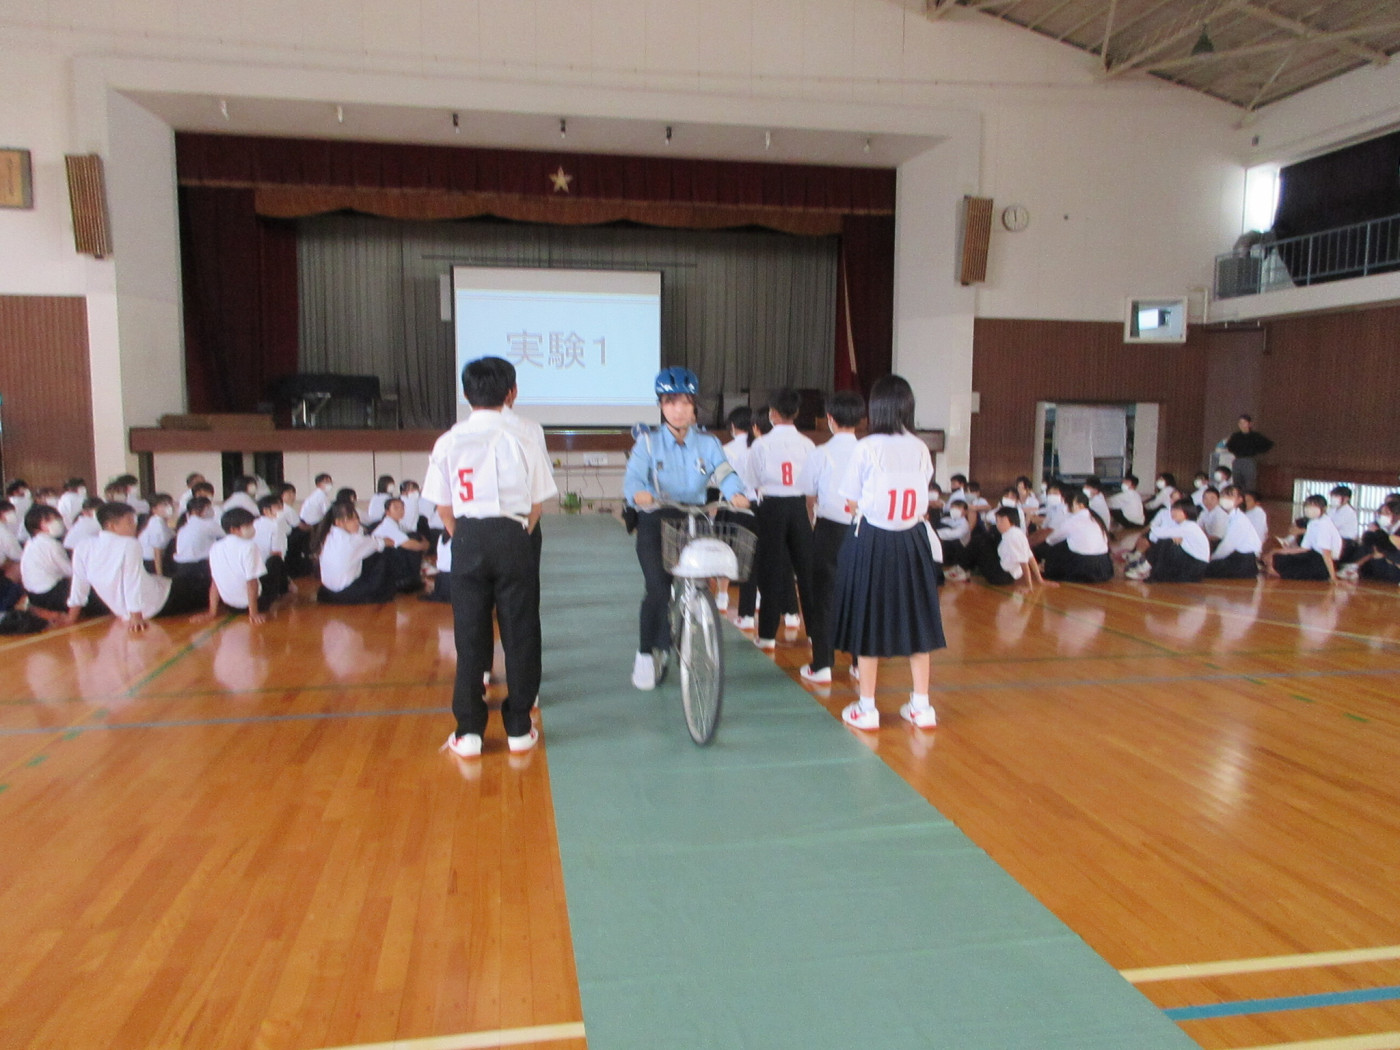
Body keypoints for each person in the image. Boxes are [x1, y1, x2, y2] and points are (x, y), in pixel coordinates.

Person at [424, 355, 558, 757]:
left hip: (467, 535)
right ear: (511, 393)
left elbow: (443, 507)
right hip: (514, 533)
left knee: (469, 634)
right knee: (521, 631)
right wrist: (518, 533)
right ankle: (518, 726)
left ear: (466, 395)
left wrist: (464, 536)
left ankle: (468, 733)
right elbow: (537, 504)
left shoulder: (448, 440)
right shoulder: (526, 436)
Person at [624, 366, 750, 690]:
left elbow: (724, 472)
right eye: (670, 402)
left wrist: (735, 492)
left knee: (699, 578)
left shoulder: (707, 444)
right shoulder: (648, 444)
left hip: (693, 519)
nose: (678, 409)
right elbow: (633, 479)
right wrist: (639, 493)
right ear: (661, 406)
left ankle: (694, 619)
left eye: (684, 402)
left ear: (694, 405)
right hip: (655, 519)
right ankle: (645, 652)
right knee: (657, 589)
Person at [831, 374, 944, 732]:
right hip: (912, 541)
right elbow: (923, 494)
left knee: (868, 621)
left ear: (874, 408)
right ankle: (922, 706)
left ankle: (867, 708)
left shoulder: (868, 447)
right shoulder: (920, 447)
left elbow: (849, 499)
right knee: (916, 618)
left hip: (873, 540)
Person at [797, 389, 864, 684]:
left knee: (822, 596)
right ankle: (861, 663)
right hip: (864, 532)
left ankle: (822, 664)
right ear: (860, 420)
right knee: (861, 597)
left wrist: (814, 524)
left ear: (830, 419)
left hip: (829, 530)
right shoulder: (868, 451)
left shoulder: (821, 452)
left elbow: (809, 497)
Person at [743, 388, 818, 649]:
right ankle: (814, 633)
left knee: (771, 571)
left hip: (771, 507)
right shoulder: (808, 444)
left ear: (772, 414)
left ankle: (766, 637)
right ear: (796, 413)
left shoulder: (761, 444)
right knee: (807, 573)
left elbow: (752, 482)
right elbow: (811, 484)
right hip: (798, 507)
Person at [64, 502, 208, 632]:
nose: (134, 526)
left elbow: (79, 584)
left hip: (144, 598)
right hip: (158, 602)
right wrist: (136, 616)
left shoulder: (83, 546)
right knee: (204, 585)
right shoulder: (129, 544)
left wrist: (71, 618)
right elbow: (131, 581)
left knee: (187, 579)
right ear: (111, 525)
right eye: (129, 522)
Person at [314, 502, 396, 604]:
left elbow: (364, 538)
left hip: (328, 591)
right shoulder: (351, 540)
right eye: (351, 519)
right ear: (339, 522)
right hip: (347, 592)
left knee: (371, 551)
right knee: (384, 553)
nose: (357, 522)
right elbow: (389, 542)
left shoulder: (328, 534)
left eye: (357, 518)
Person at [200, 507, 271, 623]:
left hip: (229, 605)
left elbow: (215, 582)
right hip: (252, 604)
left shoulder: (215, 547)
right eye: (248, 526)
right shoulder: (249, 546)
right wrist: (253, 613)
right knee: (274, 563)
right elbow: (251, 582)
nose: (252, 529)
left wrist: (212, 612)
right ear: (233, 529)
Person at [1126, 499, 1209, 583]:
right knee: (1164, 542)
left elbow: (1160, 533)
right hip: (1191, 562)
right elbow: (1156, 536)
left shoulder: (1190, 526)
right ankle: (1147, 568)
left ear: (1186, 512)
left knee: (1166, 542)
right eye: (1172, 509)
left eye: (1177, 510)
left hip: (1195, 566)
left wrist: (1154, 532)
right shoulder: (1183, 526)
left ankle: (1145, 568)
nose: (1173, 512)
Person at [1263, 494, 1341, 581]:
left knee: (1282, 565)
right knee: (1278, 557)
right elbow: (1304, 548)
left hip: (1323, 562)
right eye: (1308, 506)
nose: (1309, 509)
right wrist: (1277, 551)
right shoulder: (1312, 523)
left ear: (1324, 508)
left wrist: (1333, 577)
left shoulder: (1324, 524)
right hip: (1312, 555)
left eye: (1314, 506)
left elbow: (1326, 553)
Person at [1040, 490, 1114, 582]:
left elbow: (1051, 540)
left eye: (1069, 504)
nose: (1067, 507)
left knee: (1055, 547)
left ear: (1081, 506)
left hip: (1084, 567)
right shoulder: (1095, 519)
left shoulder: (1073, 521)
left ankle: (1047, 569)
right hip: (1103, 566)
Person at [982, 505, 1052, 589]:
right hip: (1009, 576)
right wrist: (1040, 579)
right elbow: (1030, 557)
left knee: (979, 543)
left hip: (999, 576)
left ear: (1012, 521)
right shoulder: (1018, 532)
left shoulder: (1011, 536)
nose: (998, 524)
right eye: (997, 521)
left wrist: (1029, 586)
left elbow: (1024, 563)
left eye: (1002, 521)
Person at [372, 496, 430, 591]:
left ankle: (412, 578)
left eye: (402, 507)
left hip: (388, 559)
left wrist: (424, 542)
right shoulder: (388, 525)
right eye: (396, 508)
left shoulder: (398, 524)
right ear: (387, 512)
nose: (400, 510)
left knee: (415, 536)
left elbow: (416, 535)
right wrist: (425, 545)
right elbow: (408, 544)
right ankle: (405, 580)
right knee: (413, 541)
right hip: (379, 562)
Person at [1206, 485, 1262, 578]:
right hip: (1239, 558)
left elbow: (1227, 546)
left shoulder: (1239, 519)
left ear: (1239, 500)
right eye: (1223, 496)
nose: (1225, 499)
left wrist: (1210, 559)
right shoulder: (1233, 517)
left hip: (1243, 562)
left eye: (1230, 496)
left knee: (1203, 569)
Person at [252, 494, 291, 601]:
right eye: (278, 507)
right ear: (266, 511)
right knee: (276, 561)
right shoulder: (275, 526)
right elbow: (276, 554)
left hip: (254, 569)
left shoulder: (254, 523)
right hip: (268, 570)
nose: (281, 510)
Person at [1225, 415, 1273, 495]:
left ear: (1249, 424)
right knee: (1237, 483)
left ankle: (1248, 501)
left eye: (1244, 422)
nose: (1242, 424)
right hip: (1238, 460)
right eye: (1240, 423)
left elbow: (1268, 444)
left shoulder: (1255, 436)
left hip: (1249, 460)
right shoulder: (1235, 436)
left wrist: (1257, 451)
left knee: (1249, 484)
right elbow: (1230, 446)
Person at [138, 494, 176, 575]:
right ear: (154, 509)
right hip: (153, 563)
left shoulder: (162, 522)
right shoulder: (156, 524)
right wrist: (159, 575)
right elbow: (157, 552)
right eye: (165, 505)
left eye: (170, 504)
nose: (169, 507)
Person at [1326, 485, 1360, 563]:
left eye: (1337, 496)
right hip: (1333, 539)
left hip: (1346, 542)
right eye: (1333, 496)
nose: (1334, 498)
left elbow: (1333, 526)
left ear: (1346, 498)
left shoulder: (1349, 511)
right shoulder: (1332, 509)